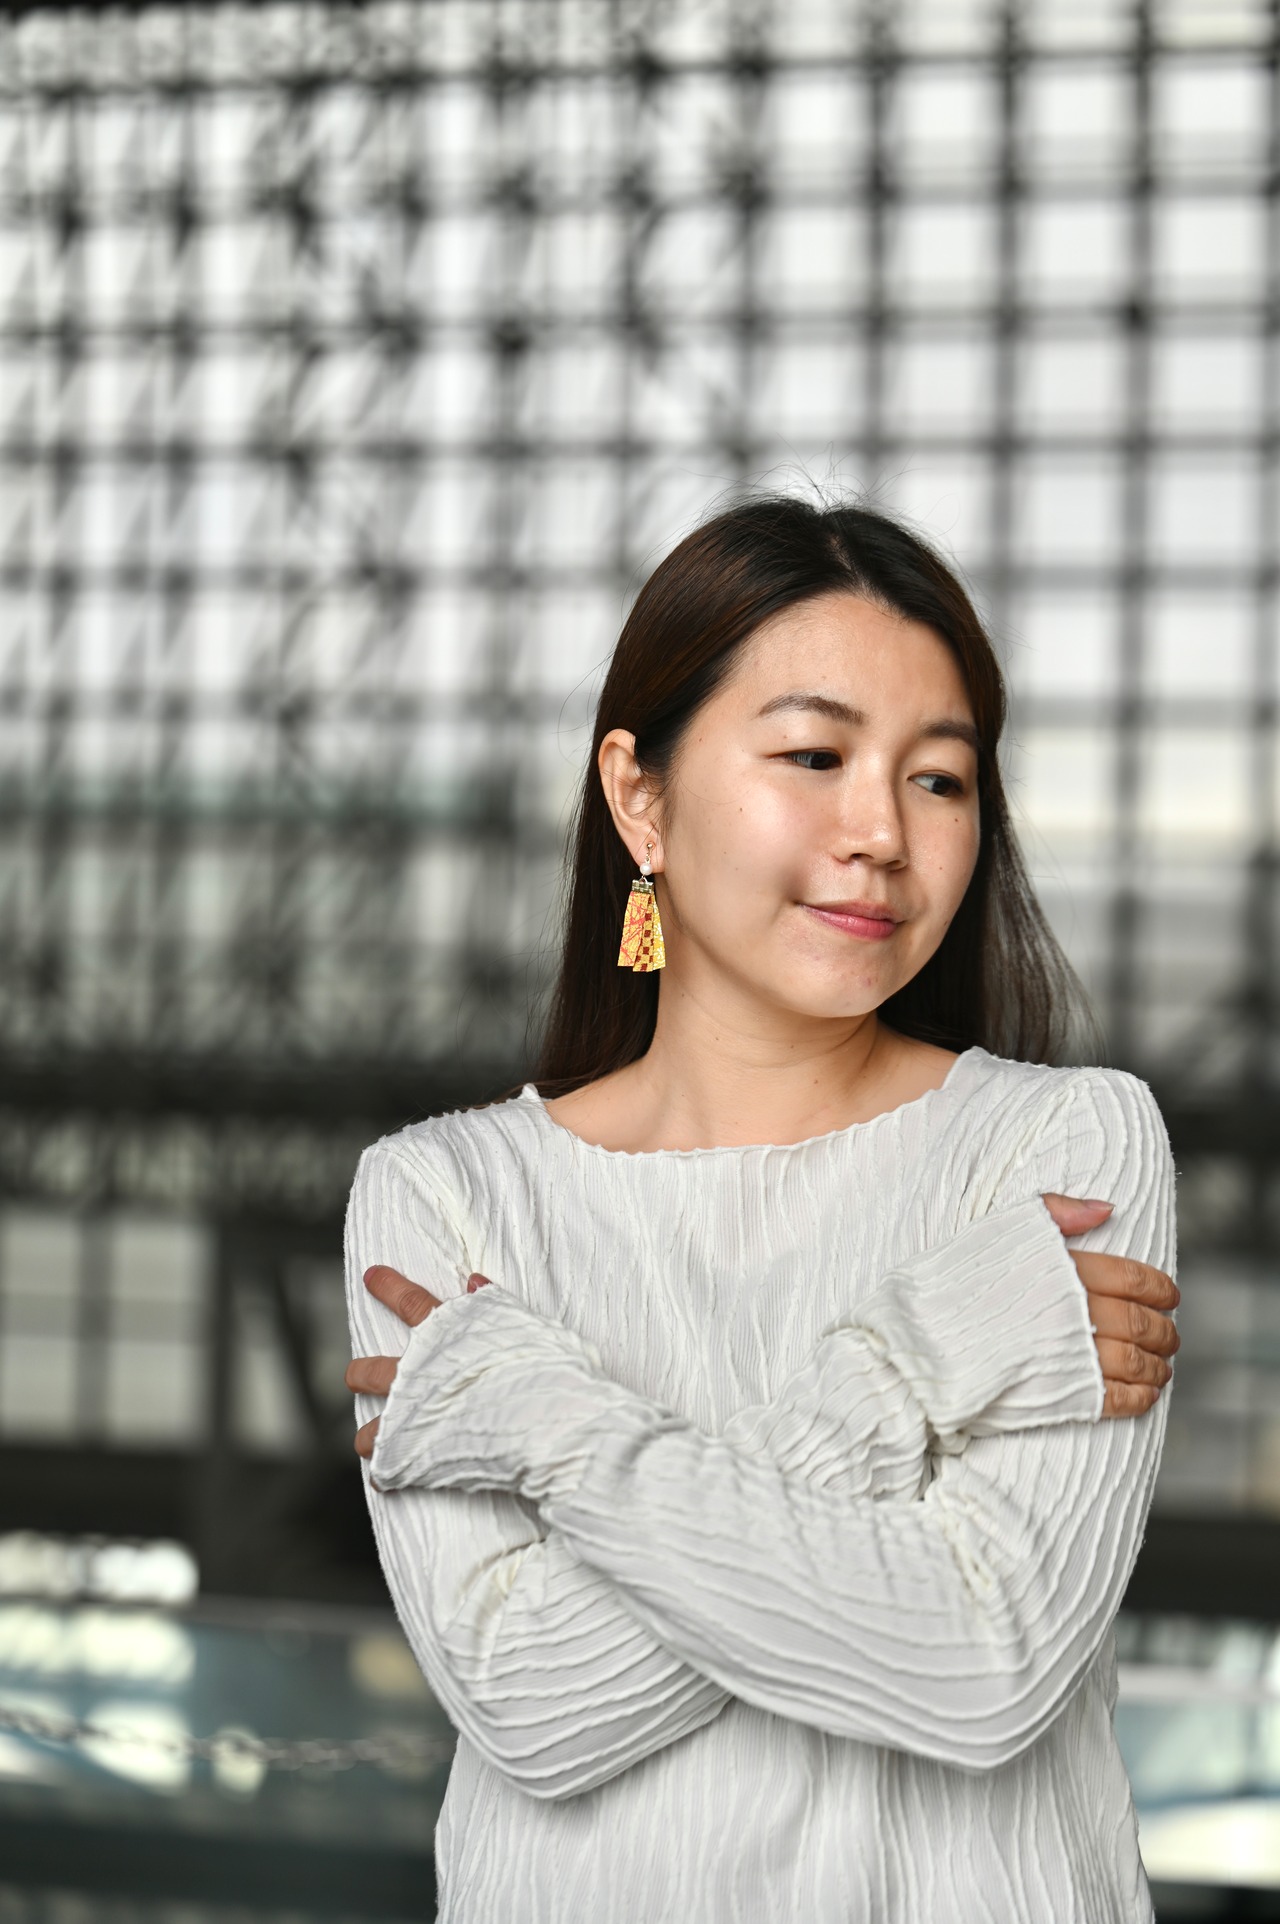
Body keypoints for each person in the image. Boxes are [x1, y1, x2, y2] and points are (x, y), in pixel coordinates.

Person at [343, 496, 1180, 1923]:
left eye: (940, 778)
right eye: (814, 756)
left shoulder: (1066, 1149)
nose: (883, 833)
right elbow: (534, 1708)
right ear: (640, 799)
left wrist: (544, 1423)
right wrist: (915, 1370)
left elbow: (984, 1667)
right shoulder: (444, 1196)